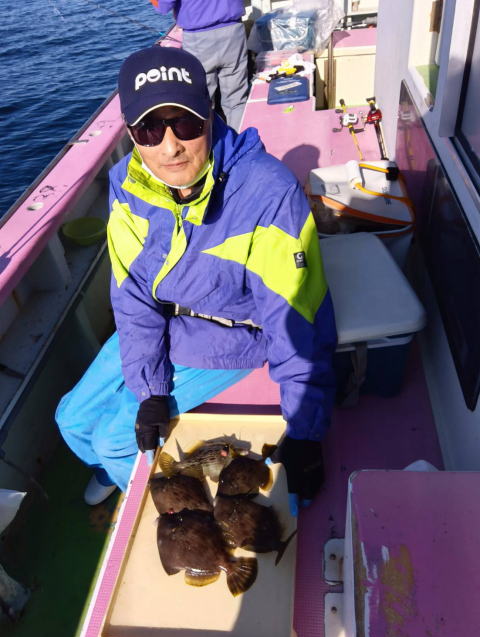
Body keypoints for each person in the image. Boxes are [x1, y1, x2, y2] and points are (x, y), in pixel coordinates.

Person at [56, 45, 337, 516]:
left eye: (184, 123)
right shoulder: (126, 184)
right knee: (70, 418)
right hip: (161, 326)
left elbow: (297, 316)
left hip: (229, 336)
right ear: (130, 133)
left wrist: (306, 434)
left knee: (113, 440)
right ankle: (114, 469)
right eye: (149, 128)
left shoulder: (267, 192)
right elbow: (132, 297)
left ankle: (177, 517)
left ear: (209, 114)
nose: (170, 146)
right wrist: (150, 390)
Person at [150, 0, 249, 131]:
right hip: (234, 31)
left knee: (202, 101)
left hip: (198, 39)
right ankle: (239, 138)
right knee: (236, 100)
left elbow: (163, 6)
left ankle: (210, 140)